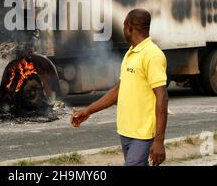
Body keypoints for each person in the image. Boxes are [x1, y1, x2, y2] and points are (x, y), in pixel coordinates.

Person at [71, 9, 169, 166]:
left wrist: (159, 141)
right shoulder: (131, 53)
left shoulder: (152, 55)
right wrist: (88, 111)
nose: (123, 30)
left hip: (142, 135)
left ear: (129, 27)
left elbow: (162, 98)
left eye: (124, 26)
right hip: (125, 132)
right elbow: (118, 91)